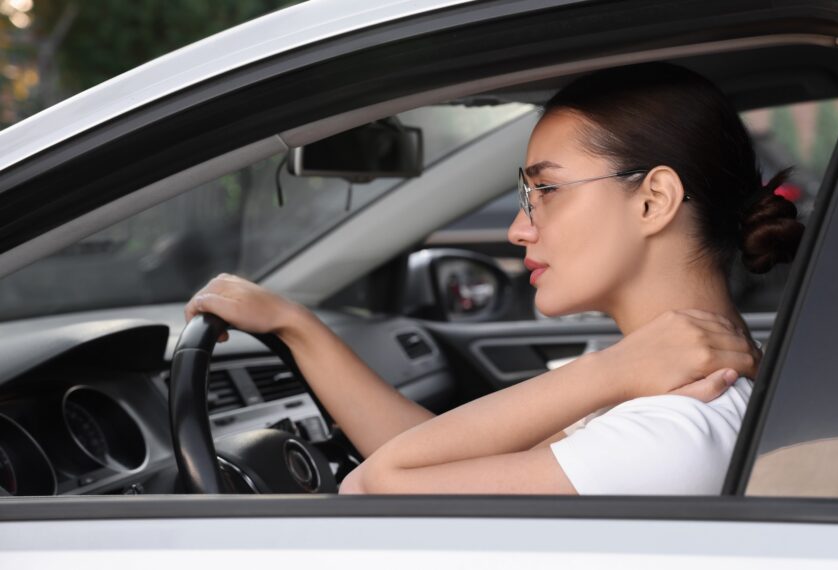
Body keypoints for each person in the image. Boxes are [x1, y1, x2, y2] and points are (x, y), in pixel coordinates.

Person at [184, 63, 803, 495]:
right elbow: (435, 455)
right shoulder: (676, 390)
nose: (518, 228)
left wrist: (609, 370)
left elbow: (373, 486)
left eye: (545, 191)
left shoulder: (669, 429)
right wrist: (297, 325)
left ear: (653, 200)